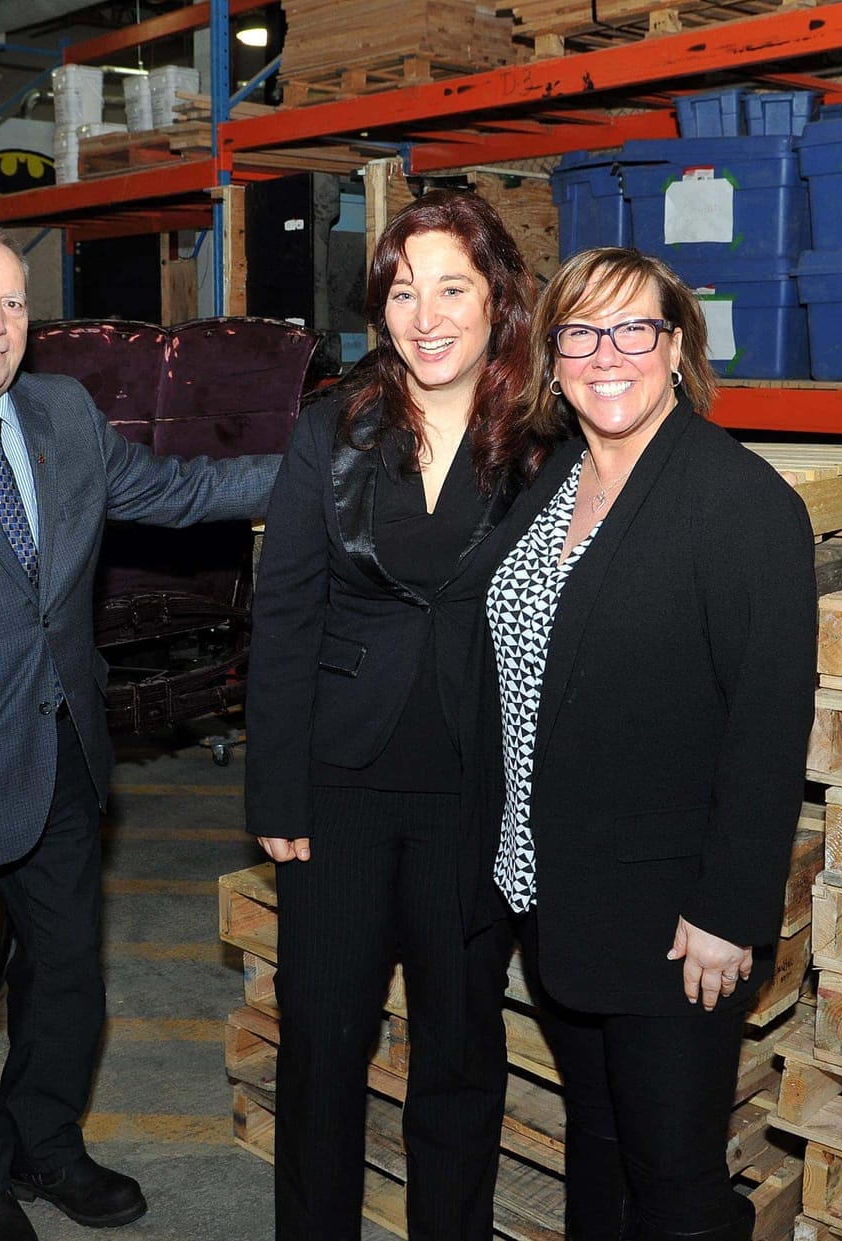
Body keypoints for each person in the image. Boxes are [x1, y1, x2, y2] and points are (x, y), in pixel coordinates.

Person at [0, 222, 281, 1241]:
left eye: (11, 303)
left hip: (60, 749)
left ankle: (48, 1143)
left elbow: (179, 493)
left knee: (65, 970)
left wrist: (332, 464)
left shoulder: (60, 412)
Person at [472, 247, 816, 1241]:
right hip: (556, 893)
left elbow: (765, 724)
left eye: (634, 329)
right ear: (552, 356)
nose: (605, 353)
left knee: (672, 1182)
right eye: (580, 331)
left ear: (677, 348)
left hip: (672, 920)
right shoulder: (557, 481)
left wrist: (726, 911)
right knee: (602, 1145)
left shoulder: (739, 504)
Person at [246, 190, 553, 1238]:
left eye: (452, 289)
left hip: (478, 787)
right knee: (323, 1045)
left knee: (459, 1052)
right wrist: (274, 787)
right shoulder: (331, 429)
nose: (425, 316)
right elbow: (283, 612)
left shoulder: (545, 440)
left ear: (497, 300)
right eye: (402, 291)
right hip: (337, 786)